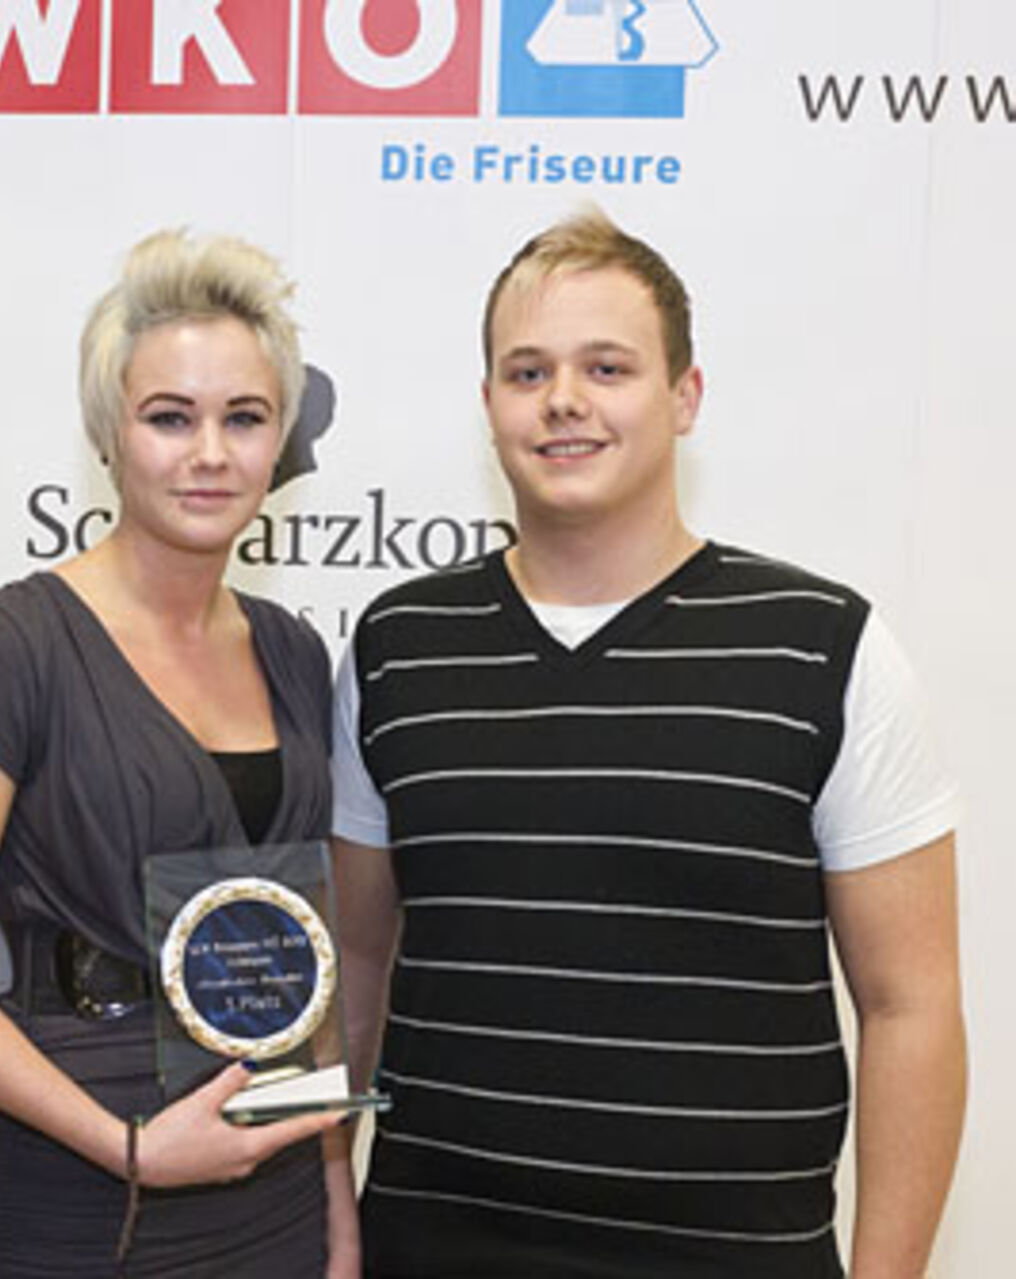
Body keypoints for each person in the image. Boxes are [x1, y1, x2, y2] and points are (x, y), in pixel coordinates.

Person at [330, 208, 966, 1277]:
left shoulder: (825, 646)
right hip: (429, 1250)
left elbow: (913, 1009)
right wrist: (330, 1219)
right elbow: (353, 962)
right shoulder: (397, 647)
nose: (563, 399)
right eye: (527, 371)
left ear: (684, 396)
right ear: (488, 405)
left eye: (607, 367)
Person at [0, 229, 357, 1278]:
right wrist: (127, 1147)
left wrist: (337, 1216)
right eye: (170, 417)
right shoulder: (13, 644)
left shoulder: (293, 653)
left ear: (281, 440)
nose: (210, 452)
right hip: (83, 1186)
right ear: (109, 433)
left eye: (244, 417)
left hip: (273, 1191)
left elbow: (307, 963)